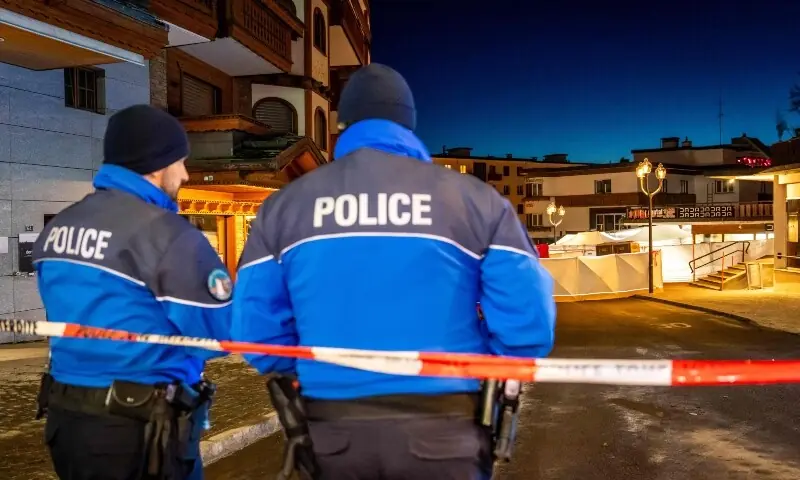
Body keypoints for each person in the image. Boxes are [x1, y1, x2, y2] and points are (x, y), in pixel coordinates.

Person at [231, 63, 556, 479]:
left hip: (332, 428)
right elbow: (529, 321)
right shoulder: (475, 200)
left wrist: (308, 371)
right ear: (408, 122)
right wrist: (488, 366)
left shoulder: (284, 207)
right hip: (445, 423)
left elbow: (254, 327)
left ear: (343, 124)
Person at [32, 104, 232, 480]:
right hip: (140, 433)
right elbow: (217, 335)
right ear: (157, 165)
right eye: (180, 161)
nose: (186, 174)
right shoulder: (169, 236)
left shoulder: (59, 227)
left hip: (67, 422)